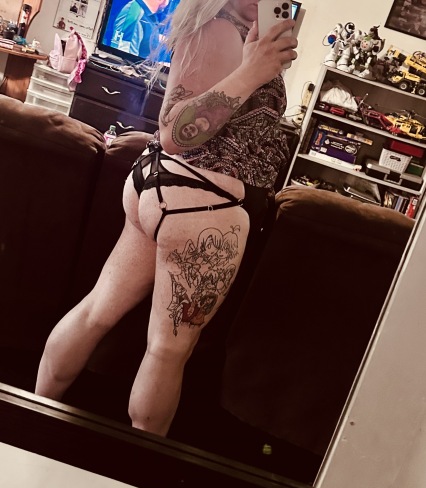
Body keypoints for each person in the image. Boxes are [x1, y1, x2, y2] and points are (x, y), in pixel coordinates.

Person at [35, 0, 297, 437]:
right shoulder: (218, 28)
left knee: (98, 310)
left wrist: (258, 65)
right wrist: (253, 71)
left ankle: (36, 417)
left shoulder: (229, 30)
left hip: (170, 191)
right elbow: (174, 131)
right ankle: (135, 466)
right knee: (167, 351)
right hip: (202, 204)